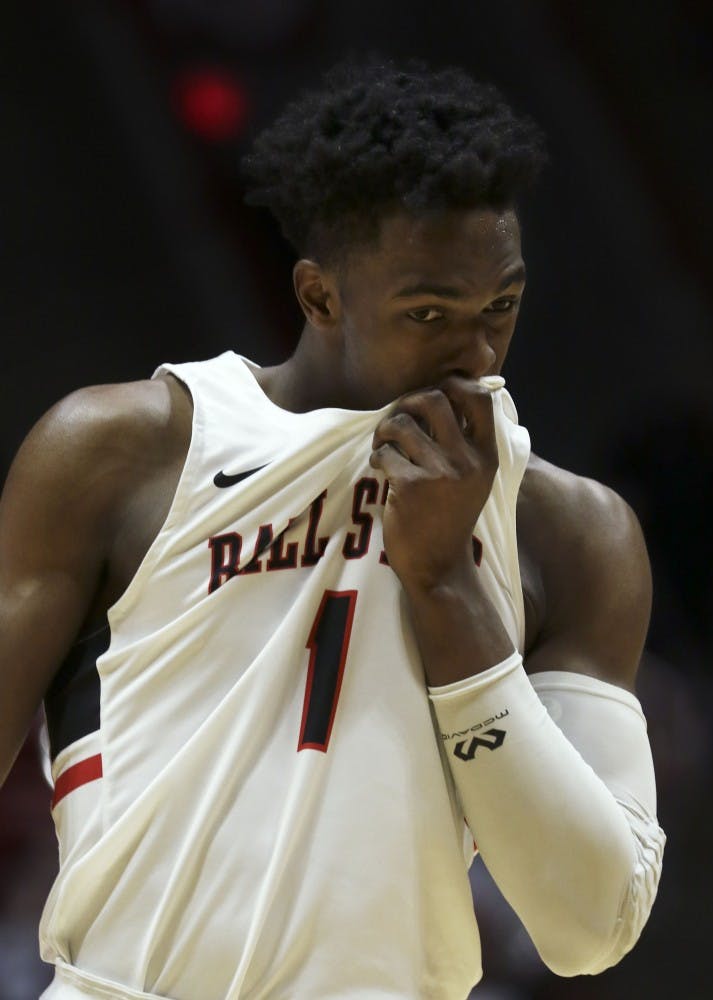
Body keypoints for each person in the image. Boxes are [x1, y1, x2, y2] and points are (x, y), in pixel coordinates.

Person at [0, 58, 665, 999]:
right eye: (428, 313)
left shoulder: (569, 530)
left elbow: (589, 925)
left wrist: (446, 586)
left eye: (499, 308)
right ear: (318, 297)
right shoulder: (125, 451)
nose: (475, 353)